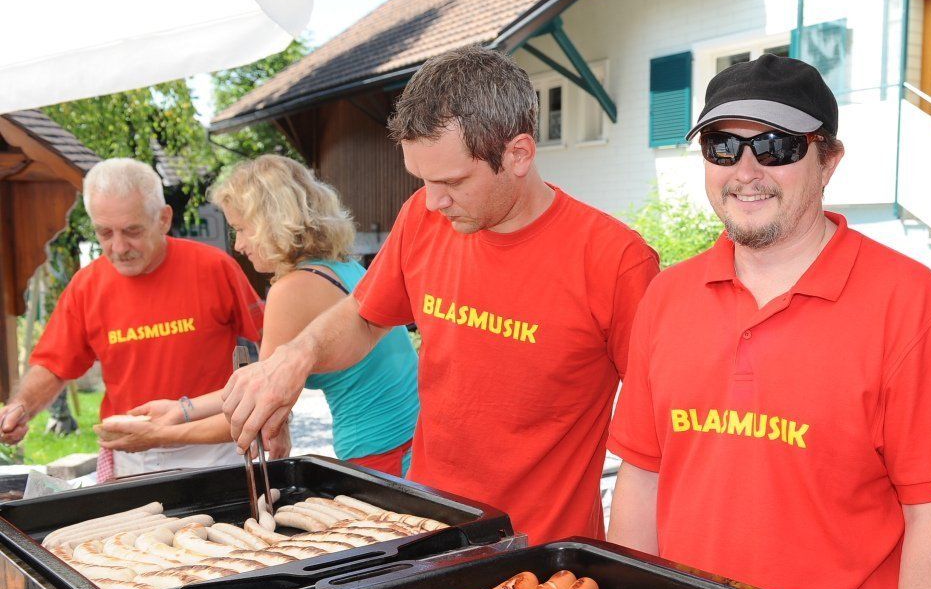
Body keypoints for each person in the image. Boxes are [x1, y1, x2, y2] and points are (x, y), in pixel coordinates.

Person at [606, 54, 931, 589]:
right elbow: (641, 478)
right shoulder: (667, 296)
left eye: (776, 146)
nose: (746, 171)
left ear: (828, 161)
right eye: (722, 147)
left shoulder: (908, 302)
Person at [220, 45, 659, 544]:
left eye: (452, 181)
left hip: (541, 553)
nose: (433, 200)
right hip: (428, 526)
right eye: (423, 180)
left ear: (518, 154)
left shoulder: (617, 261)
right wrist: (296, 357)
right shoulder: (422, 217)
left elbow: (656, 436)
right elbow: (365, 317)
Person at [102, 156, 421, 475]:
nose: (239, 245)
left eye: (241, 229)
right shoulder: (340, 266)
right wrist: (181, 409)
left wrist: (158, 436)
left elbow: (255, 408)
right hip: (408, 437)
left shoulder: (292, 289)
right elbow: (261, 379)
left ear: (273, 222)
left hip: (381, 452)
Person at [0, 158, 264, 478]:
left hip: (213, 445)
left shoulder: (214, 267)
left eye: (132, 231)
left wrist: (274, 414)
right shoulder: (86, 286)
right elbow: (53, 365)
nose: (119, 247)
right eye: (104, 233)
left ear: (163, 219)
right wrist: (22, 406)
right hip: (133, 452)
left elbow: (270, 342)